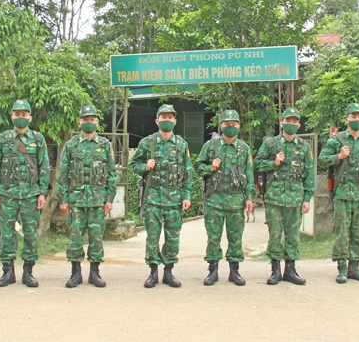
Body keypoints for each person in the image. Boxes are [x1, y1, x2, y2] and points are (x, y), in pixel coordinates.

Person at [129, 104, 192, 288]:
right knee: (153, 237)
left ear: (175, 121)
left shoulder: (181, 144)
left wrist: (187, 195)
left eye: (170, 117)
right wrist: (145, 166)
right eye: (163, 117)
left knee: (173, 238)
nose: (166, 120)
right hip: (153, 199)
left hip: (174, 199)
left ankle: (169, 272)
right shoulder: (147, 142)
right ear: (157, 121)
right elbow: (135, 165)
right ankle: (153, 273)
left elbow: (187, 172)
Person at [57, 105, 118, 288]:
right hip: (76, 200)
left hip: (98, 201)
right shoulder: (71, 145)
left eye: (92, 120)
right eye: (86, 119)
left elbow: (111, 174)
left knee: (96, 237)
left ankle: (94, 273)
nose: (89, 122)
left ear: (97, 122)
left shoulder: (105, 145)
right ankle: (75, 274)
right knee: (75, 237)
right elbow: (63, 174)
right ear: (80, 122)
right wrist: (63, 199)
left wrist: (109, 199)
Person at [0, 99, 49, 288]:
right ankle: (7, 272)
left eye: (24, 115)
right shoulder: (2, 139)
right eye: (17, 114)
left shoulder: (38, 139)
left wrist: (42, 192)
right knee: (7, 233)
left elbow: (44, 166)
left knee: (30, 233)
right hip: (7, 195)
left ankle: (28, 272)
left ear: (30, 117)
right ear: (12, 117)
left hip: (31, 195)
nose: (21, 117)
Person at [318, 103, 359, 284]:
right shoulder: (337, 141)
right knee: (342, 233)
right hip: (342, 195)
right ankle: (342, 268)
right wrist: (339, 157)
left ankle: (355, 267)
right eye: (353, 117)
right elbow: (321, 160)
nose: (357, 120)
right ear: (347, 119)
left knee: (358, 233)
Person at [254, 108, 313, 285]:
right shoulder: (271, 143)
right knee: (275, 235)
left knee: (293, 236)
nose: (291, 124)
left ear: (299, 125)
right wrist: (274, 163)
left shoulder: (303, 146)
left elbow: (309, 173)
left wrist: (307, 198)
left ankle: (291, 270)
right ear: (281, 123)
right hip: (275, 198)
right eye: (288, 121)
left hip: (295, 198)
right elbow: (257, 163)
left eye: (295, 122)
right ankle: (275, 270)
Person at [195, 109, 254, 286]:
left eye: (233, 124)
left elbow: (249, 174)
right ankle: (212, 271)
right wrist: (210, 168)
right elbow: (198, 166)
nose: (230, 127)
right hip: (214, 200)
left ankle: (234, 271)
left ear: (238, 126)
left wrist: (249, 197)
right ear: (221, 126)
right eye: (227, 124)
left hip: (236, 200)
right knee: (214, 236)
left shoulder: (244, 148)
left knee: (235, 237)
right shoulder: (211, 146)